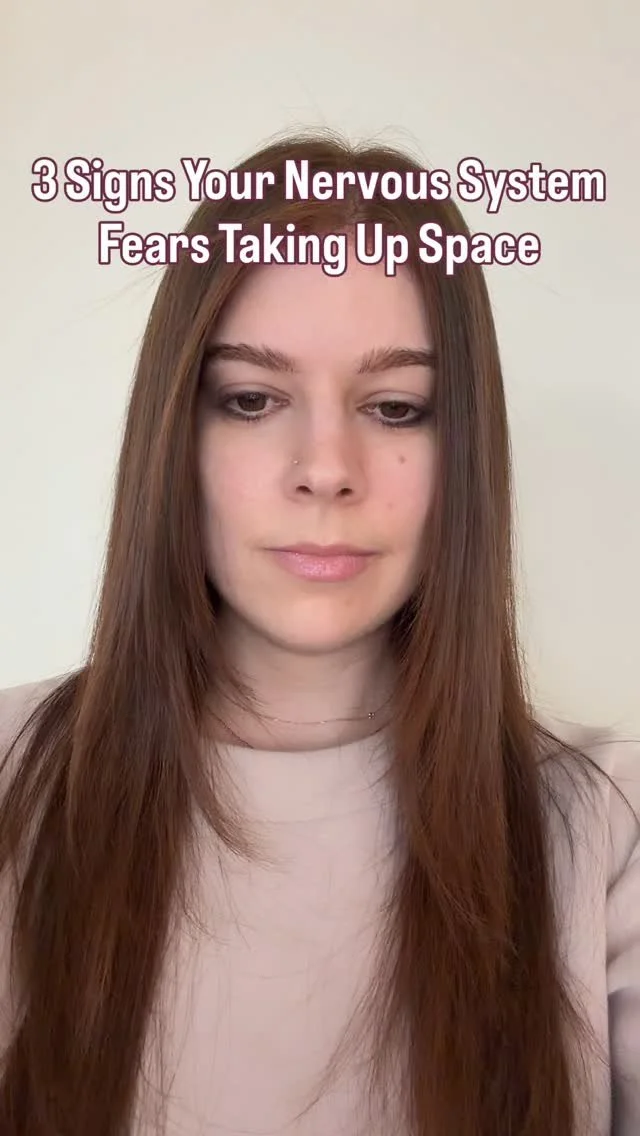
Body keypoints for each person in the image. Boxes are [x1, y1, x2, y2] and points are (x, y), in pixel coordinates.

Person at [0, 132, 638, 1136]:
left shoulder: (606, 828)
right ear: (176, 433)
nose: (327, 469)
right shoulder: (15, 776)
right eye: (253, 399)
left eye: (396, 407)